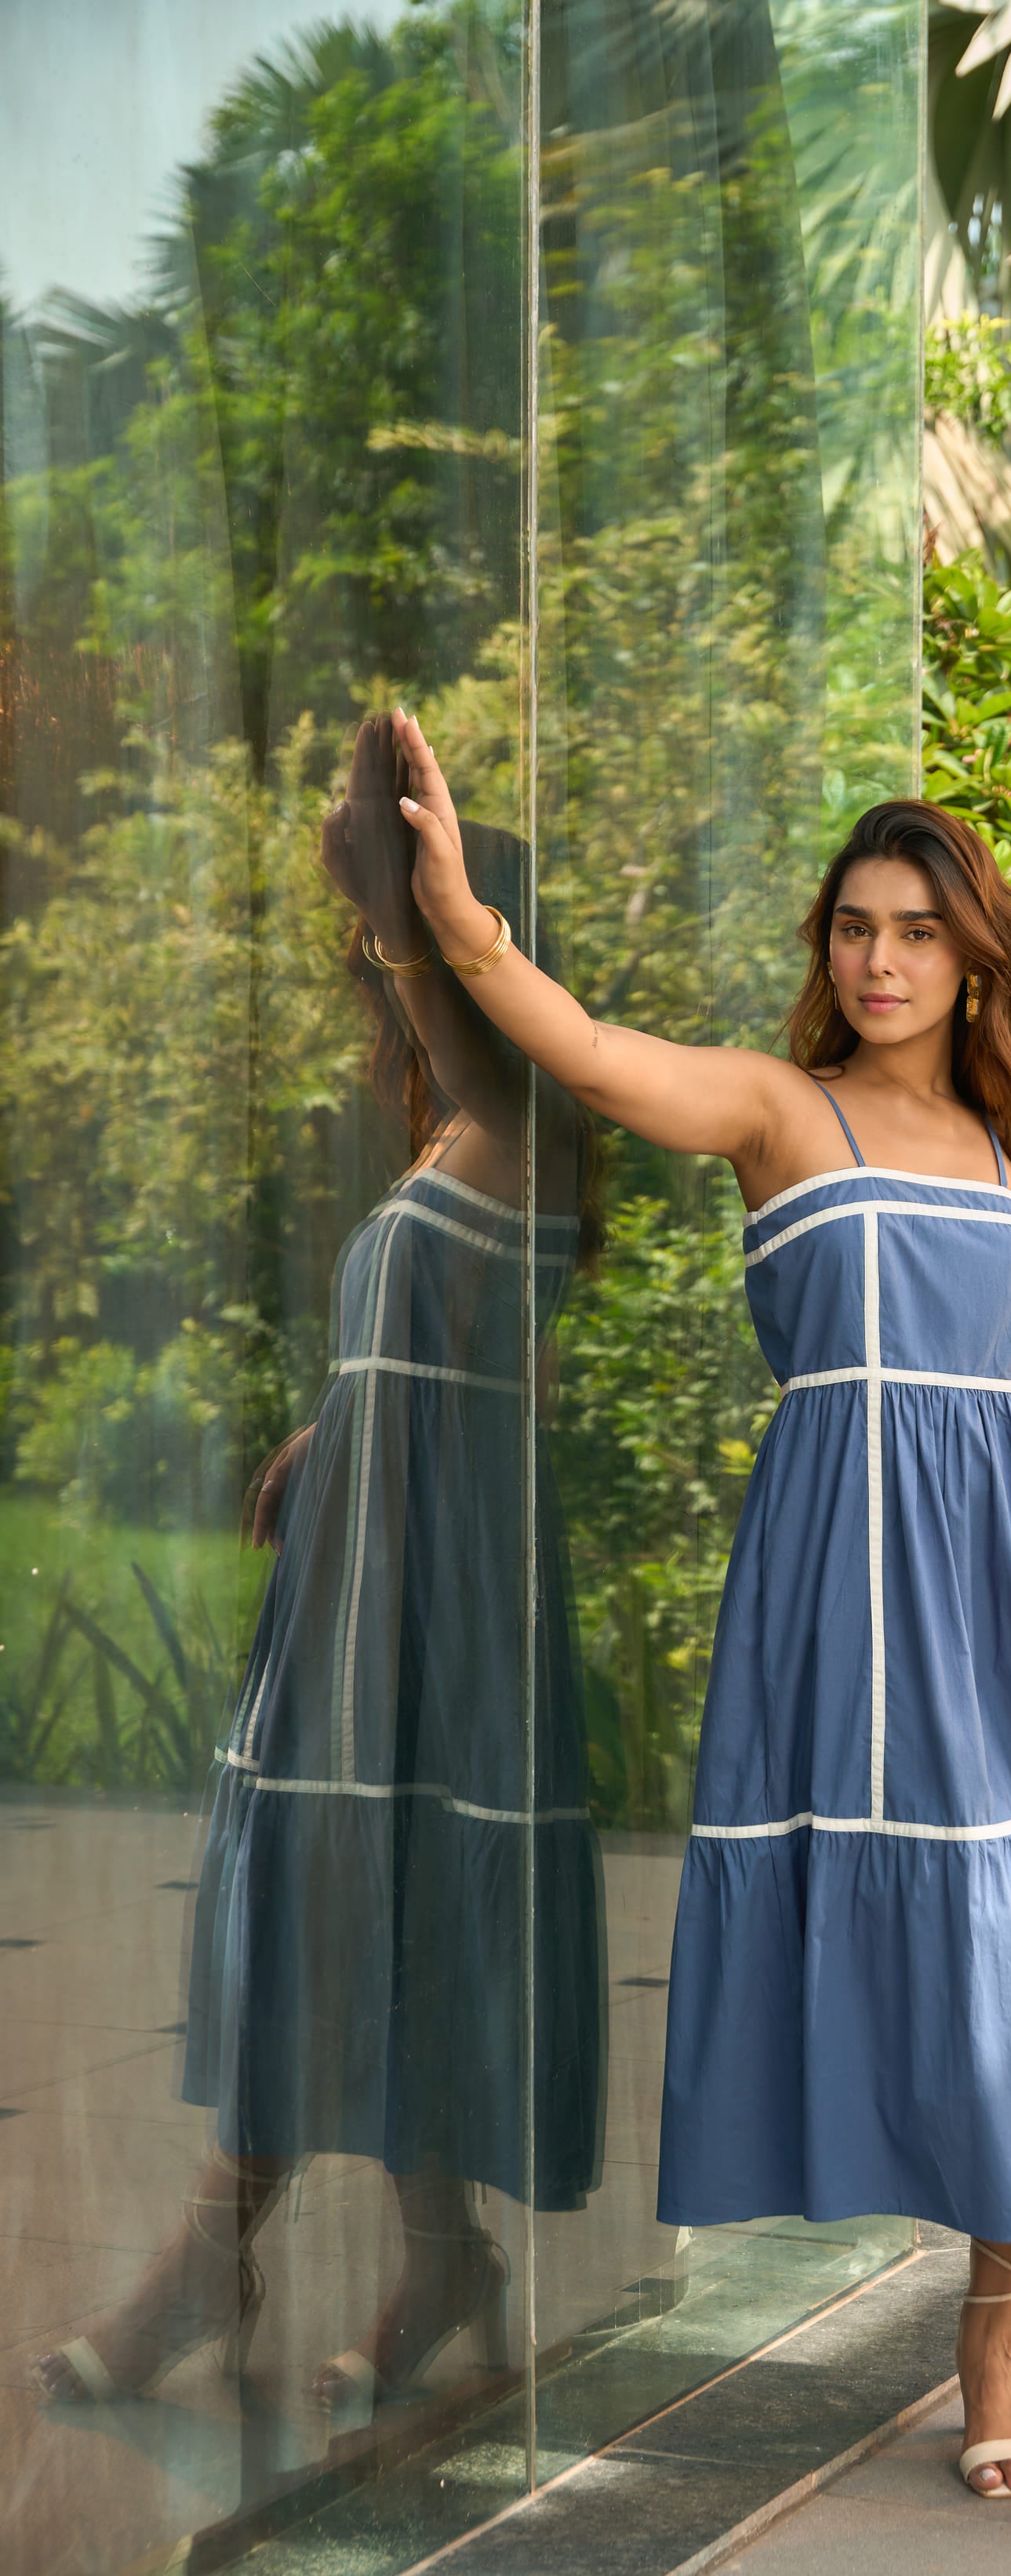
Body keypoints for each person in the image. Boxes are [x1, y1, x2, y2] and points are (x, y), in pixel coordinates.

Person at [387, 707, 1011, 2568]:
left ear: (968, 957)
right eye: (851, 926)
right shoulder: (785, 1111)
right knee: (970, 1951)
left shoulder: (1010, 1142)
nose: (875, 957)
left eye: (913, 930)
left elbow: (1007, 1375)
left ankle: (986, 2335)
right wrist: (464, 923)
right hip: (858, 1605)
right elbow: (597, 1054)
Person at [32, 717, 606, 2418]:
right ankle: (442, 2259)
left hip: (436, 1603)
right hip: (375, 1578)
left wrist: (398, 893)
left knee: (370, 1902)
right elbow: (476, 1353)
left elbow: (484, 1098)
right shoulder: (453, 1141)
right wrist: (330, 1424)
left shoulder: (527, 1120)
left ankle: (209, 2264)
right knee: (361, 1902)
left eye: (416, 935)